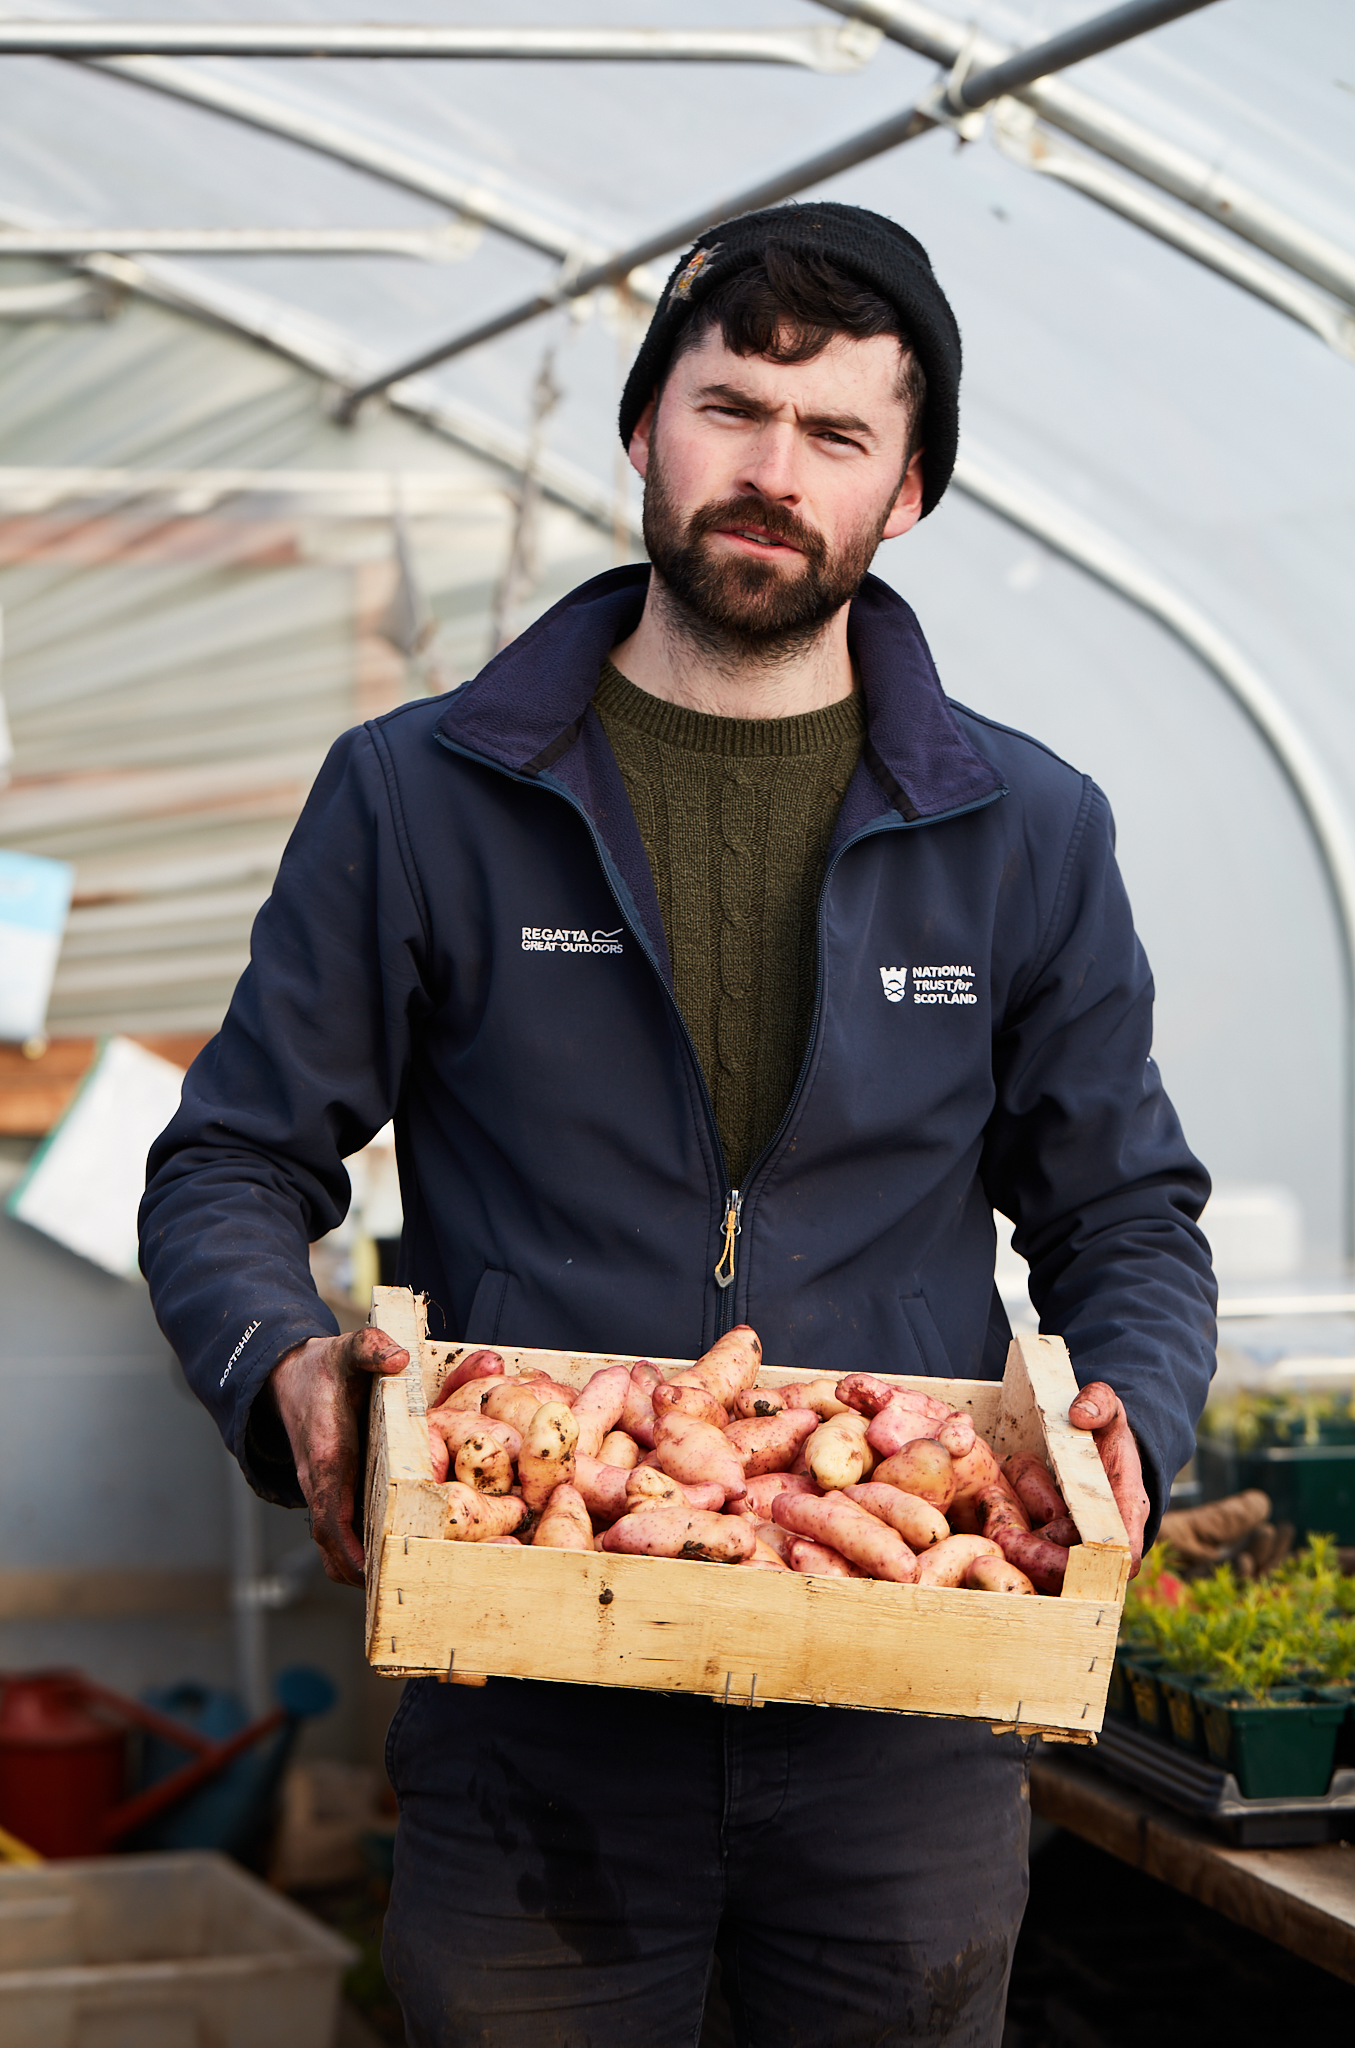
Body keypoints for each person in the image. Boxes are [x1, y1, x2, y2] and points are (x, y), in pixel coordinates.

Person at [141, 201, 1216, 2047]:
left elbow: (1124, 1211)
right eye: (731, 408)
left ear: (910, 494)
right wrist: (277, 1368)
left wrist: (1130, 1424)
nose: (770, 474)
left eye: (836, 437)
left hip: (902, 1718)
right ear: (643, 427)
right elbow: (235, 1156)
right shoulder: (421, 794)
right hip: (530, 1675)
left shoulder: (1026, 831)